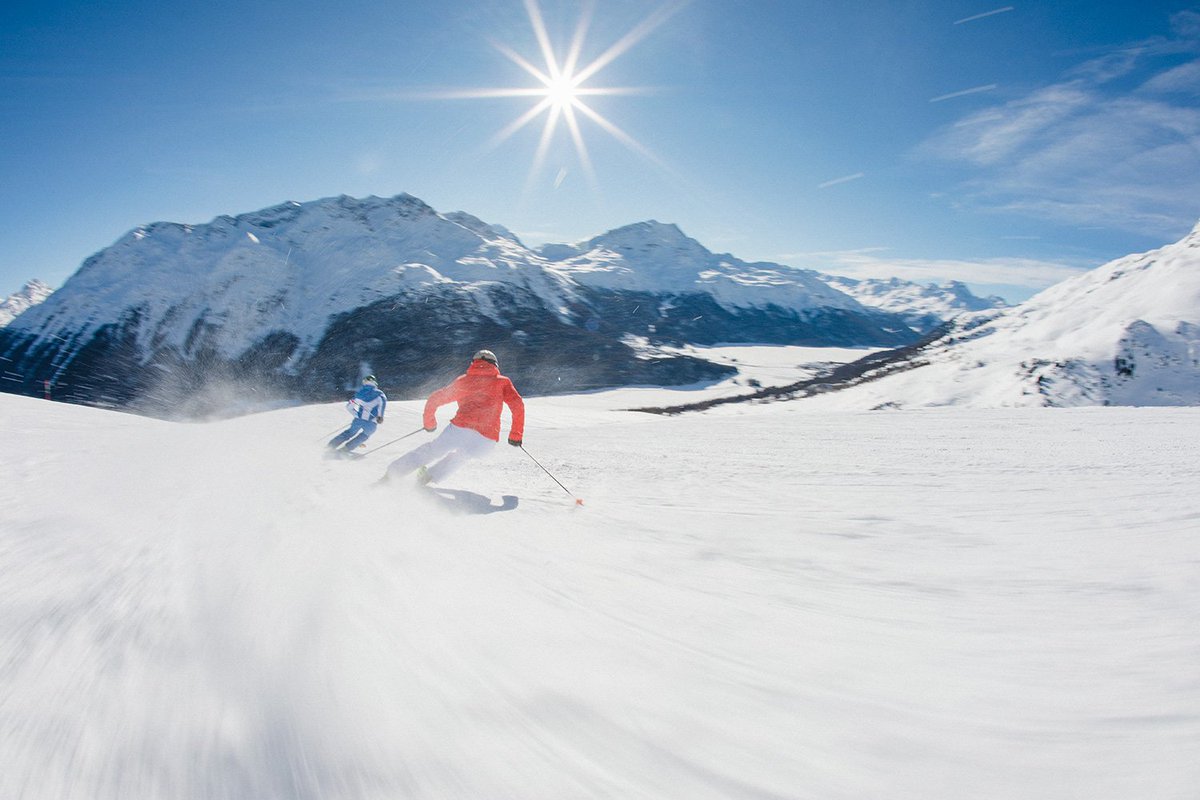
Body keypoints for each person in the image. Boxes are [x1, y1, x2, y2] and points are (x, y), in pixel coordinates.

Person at [384, 349, 524, 485]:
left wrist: (430, 423)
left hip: (459, 429)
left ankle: (394, 473)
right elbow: (518, 406)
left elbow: (435, 399)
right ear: (495, 364)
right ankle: (430, 476)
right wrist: (515, 435)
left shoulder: (464, 381)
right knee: (463, 456)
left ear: (473, 363)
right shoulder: (502, 382)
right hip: (487, 437)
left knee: (433, 450)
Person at [328, 375, 387, 455]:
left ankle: (331, 446)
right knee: (365, 435)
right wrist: (380, 417)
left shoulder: (359, 394)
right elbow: (382, 405)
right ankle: (347, 448)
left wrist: (357, 415)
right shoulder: (380, 394)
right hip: (371, 421)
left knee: (350, 432)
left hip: (358, 420)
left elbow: (349, 407)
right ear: (375, 382)